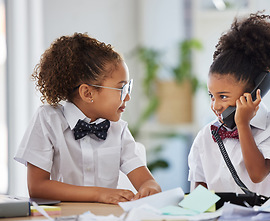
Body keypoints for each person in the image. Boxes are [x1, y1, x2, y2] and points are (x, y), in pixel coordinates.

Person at [14, 33, 161, 204]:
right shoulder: (48, 120)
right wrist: (99, 194)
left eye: (129, 88)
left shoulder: (118, 129)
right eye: (121, 89)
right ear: (87, 93)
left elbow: (146, 181)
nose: (127, 97)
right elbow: (37, 187)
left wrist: (150, 188)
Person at [188, 12, 270, 197]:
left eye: (223, 96)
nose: (215, 105)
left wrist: (243, 124)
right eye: (211, 96)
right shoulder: (206, 136)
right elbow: (200, 189)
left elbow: (257, 174)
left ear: (254, 93)